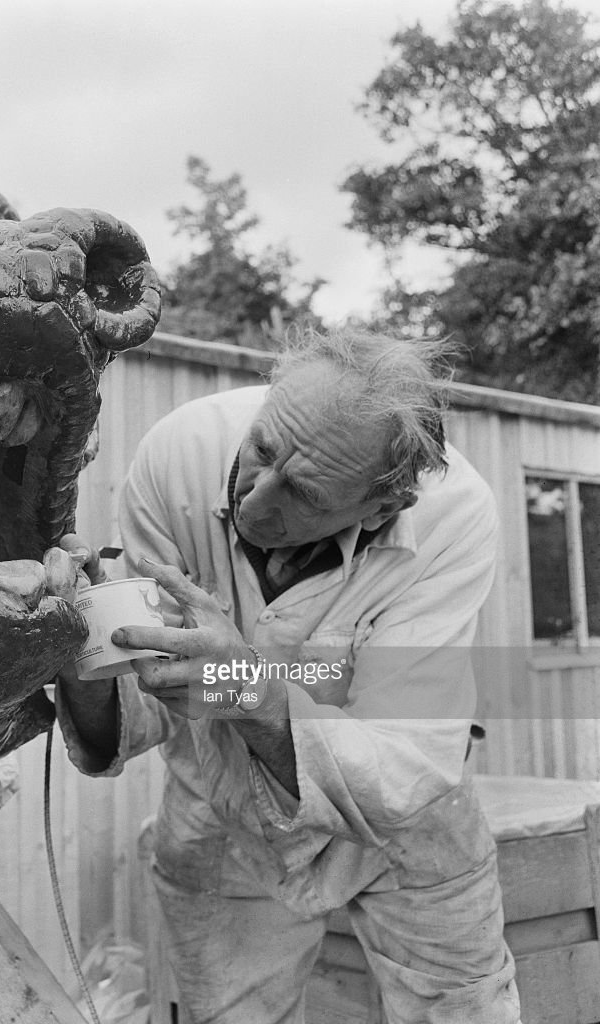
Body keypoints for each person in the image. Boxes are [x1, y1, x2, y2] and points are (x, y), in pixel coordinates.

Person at [56, 327, 521, 1024]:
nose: (251, 504)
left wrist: (248, 689)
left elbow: (402, 758)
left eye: (301, 493)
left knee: (461, 1010)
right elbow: (151, 698)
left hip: (407, 820)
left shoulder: (453, 516)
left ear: (380, 508)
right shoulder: (179, 453)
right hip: (217, 805)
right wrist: (87, 648)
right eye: (262, 451)